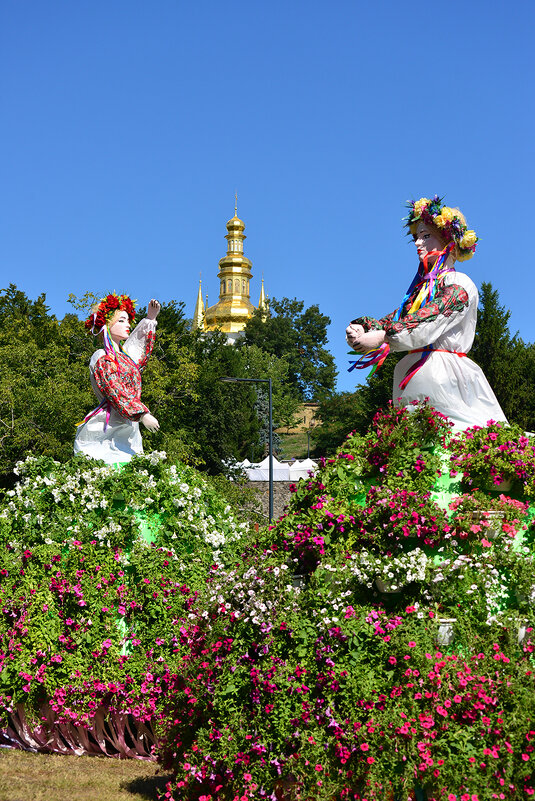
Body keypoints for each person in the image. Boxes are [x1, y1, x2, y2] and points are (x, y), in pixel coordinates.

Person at [346, 196, 507, 430]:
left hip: (444, 374)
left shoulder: (459, 283)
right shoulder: (421, 290)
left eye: (426, 236)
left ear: (448, 240)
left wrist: (383, 337)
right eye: (416, 237)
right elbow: (399, 318)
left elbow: (430, 318)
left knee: (453, 436)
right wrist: (363, 327)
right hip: (415, 373)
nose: (417, 244)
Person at [74, 294, 161, 464]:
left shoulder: (125, 357)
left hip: (129, 429)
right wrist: (142, 414)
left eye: (128, 321)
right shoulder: (102, 356)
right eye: (121, 321)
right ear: (107, 324)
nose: (128, 325)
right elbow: (114, 389)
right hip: (107, 428)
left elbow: (139, 349)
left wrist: (150, 319)